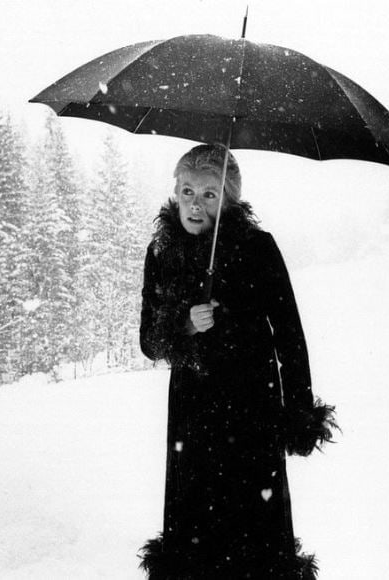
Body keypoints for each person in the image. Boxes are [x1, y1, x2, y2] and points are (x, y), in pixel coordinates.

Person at [138, 144, 336, 579]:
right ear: (175, 192)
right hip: (192, 415)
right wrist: (185, 324)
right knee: (194, 532)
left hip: (252, 409)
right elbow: (150, 343)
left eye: (210, 194)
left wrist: (298, 411)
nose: (195, 203)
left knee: (256, 531)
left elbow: (290, 336)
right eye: (187, 190)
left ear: (229, 200)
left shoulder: (258, 248)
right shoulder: (161, 253)